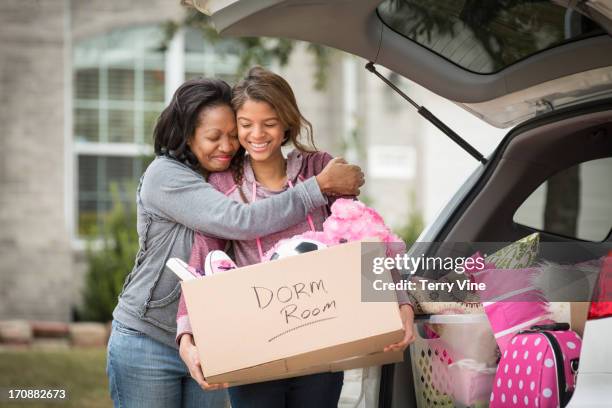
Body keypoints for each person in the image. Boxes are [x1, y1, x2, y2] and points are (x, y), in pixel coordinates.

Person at [106, 77, 364, 408]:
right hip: (150, 339)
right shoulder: (167, 177)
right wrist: (318, 186)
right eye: (214, 137)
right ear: (187, 136)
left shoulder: (225, 176)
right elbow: (240, 222)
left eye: (232, 135)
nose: (227, 146)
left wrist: (393, 301)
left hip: (216, 339)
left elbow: (364, 232)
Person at [176, 67, 414, 408]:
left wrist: (399, 300)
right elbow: (201, 259)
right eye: (246, 124)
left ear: (287, 122)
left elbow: (363, 232)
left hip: (323, 336)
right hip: (254, 347)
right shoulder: (223, 185)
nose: (257, 134)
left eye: (269, 123)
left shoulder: (319, 169)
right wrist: (187, 335)